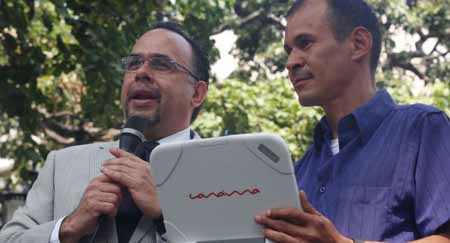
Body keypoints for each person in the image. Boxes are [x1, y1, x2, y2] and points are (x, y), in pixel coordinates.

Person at [255, 0, 450, 243]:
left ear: (358, 44)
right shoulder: (300, 169)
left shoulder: (422, 129)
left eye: (305, 43)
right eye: (289, 51)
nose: (291, 62)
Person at [0, 21, 209, 243]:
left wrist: (167, 214)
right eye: (133, 63)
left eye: (160, 64)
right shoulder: (60, 165)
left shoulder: (231, 172)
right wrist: (67, 228)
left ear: (197, 93)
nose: (141, 72)